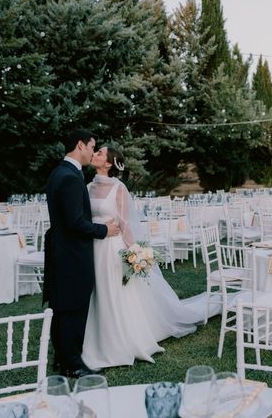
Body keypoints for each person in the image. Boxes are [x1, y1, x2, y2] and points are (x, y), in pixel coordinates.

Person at [81, 146, 203, 368]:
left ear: (108, 163)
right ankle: (96, 336)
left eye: (100, 153)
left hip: (112, 248)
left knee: (114, 291)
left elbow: (125, 223)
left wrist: (134, 251)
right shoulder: (87, 186)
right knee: (96, 291)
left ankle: (120, 339)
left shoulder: (118, 188)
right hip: (93, 246)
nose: (96, 154)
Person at [44, 130, 120, 378]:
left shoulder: (60, 172)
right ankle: (73, 363)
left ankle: (61, 358)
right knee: (73, 308)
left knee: (63, 307)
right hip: (72, 253)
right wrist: (104, 230)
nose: (92, 152)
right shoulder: (70, 178)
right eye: (92, 147)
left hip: (62, 251)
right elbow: (75, 222)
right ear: (80, 145)